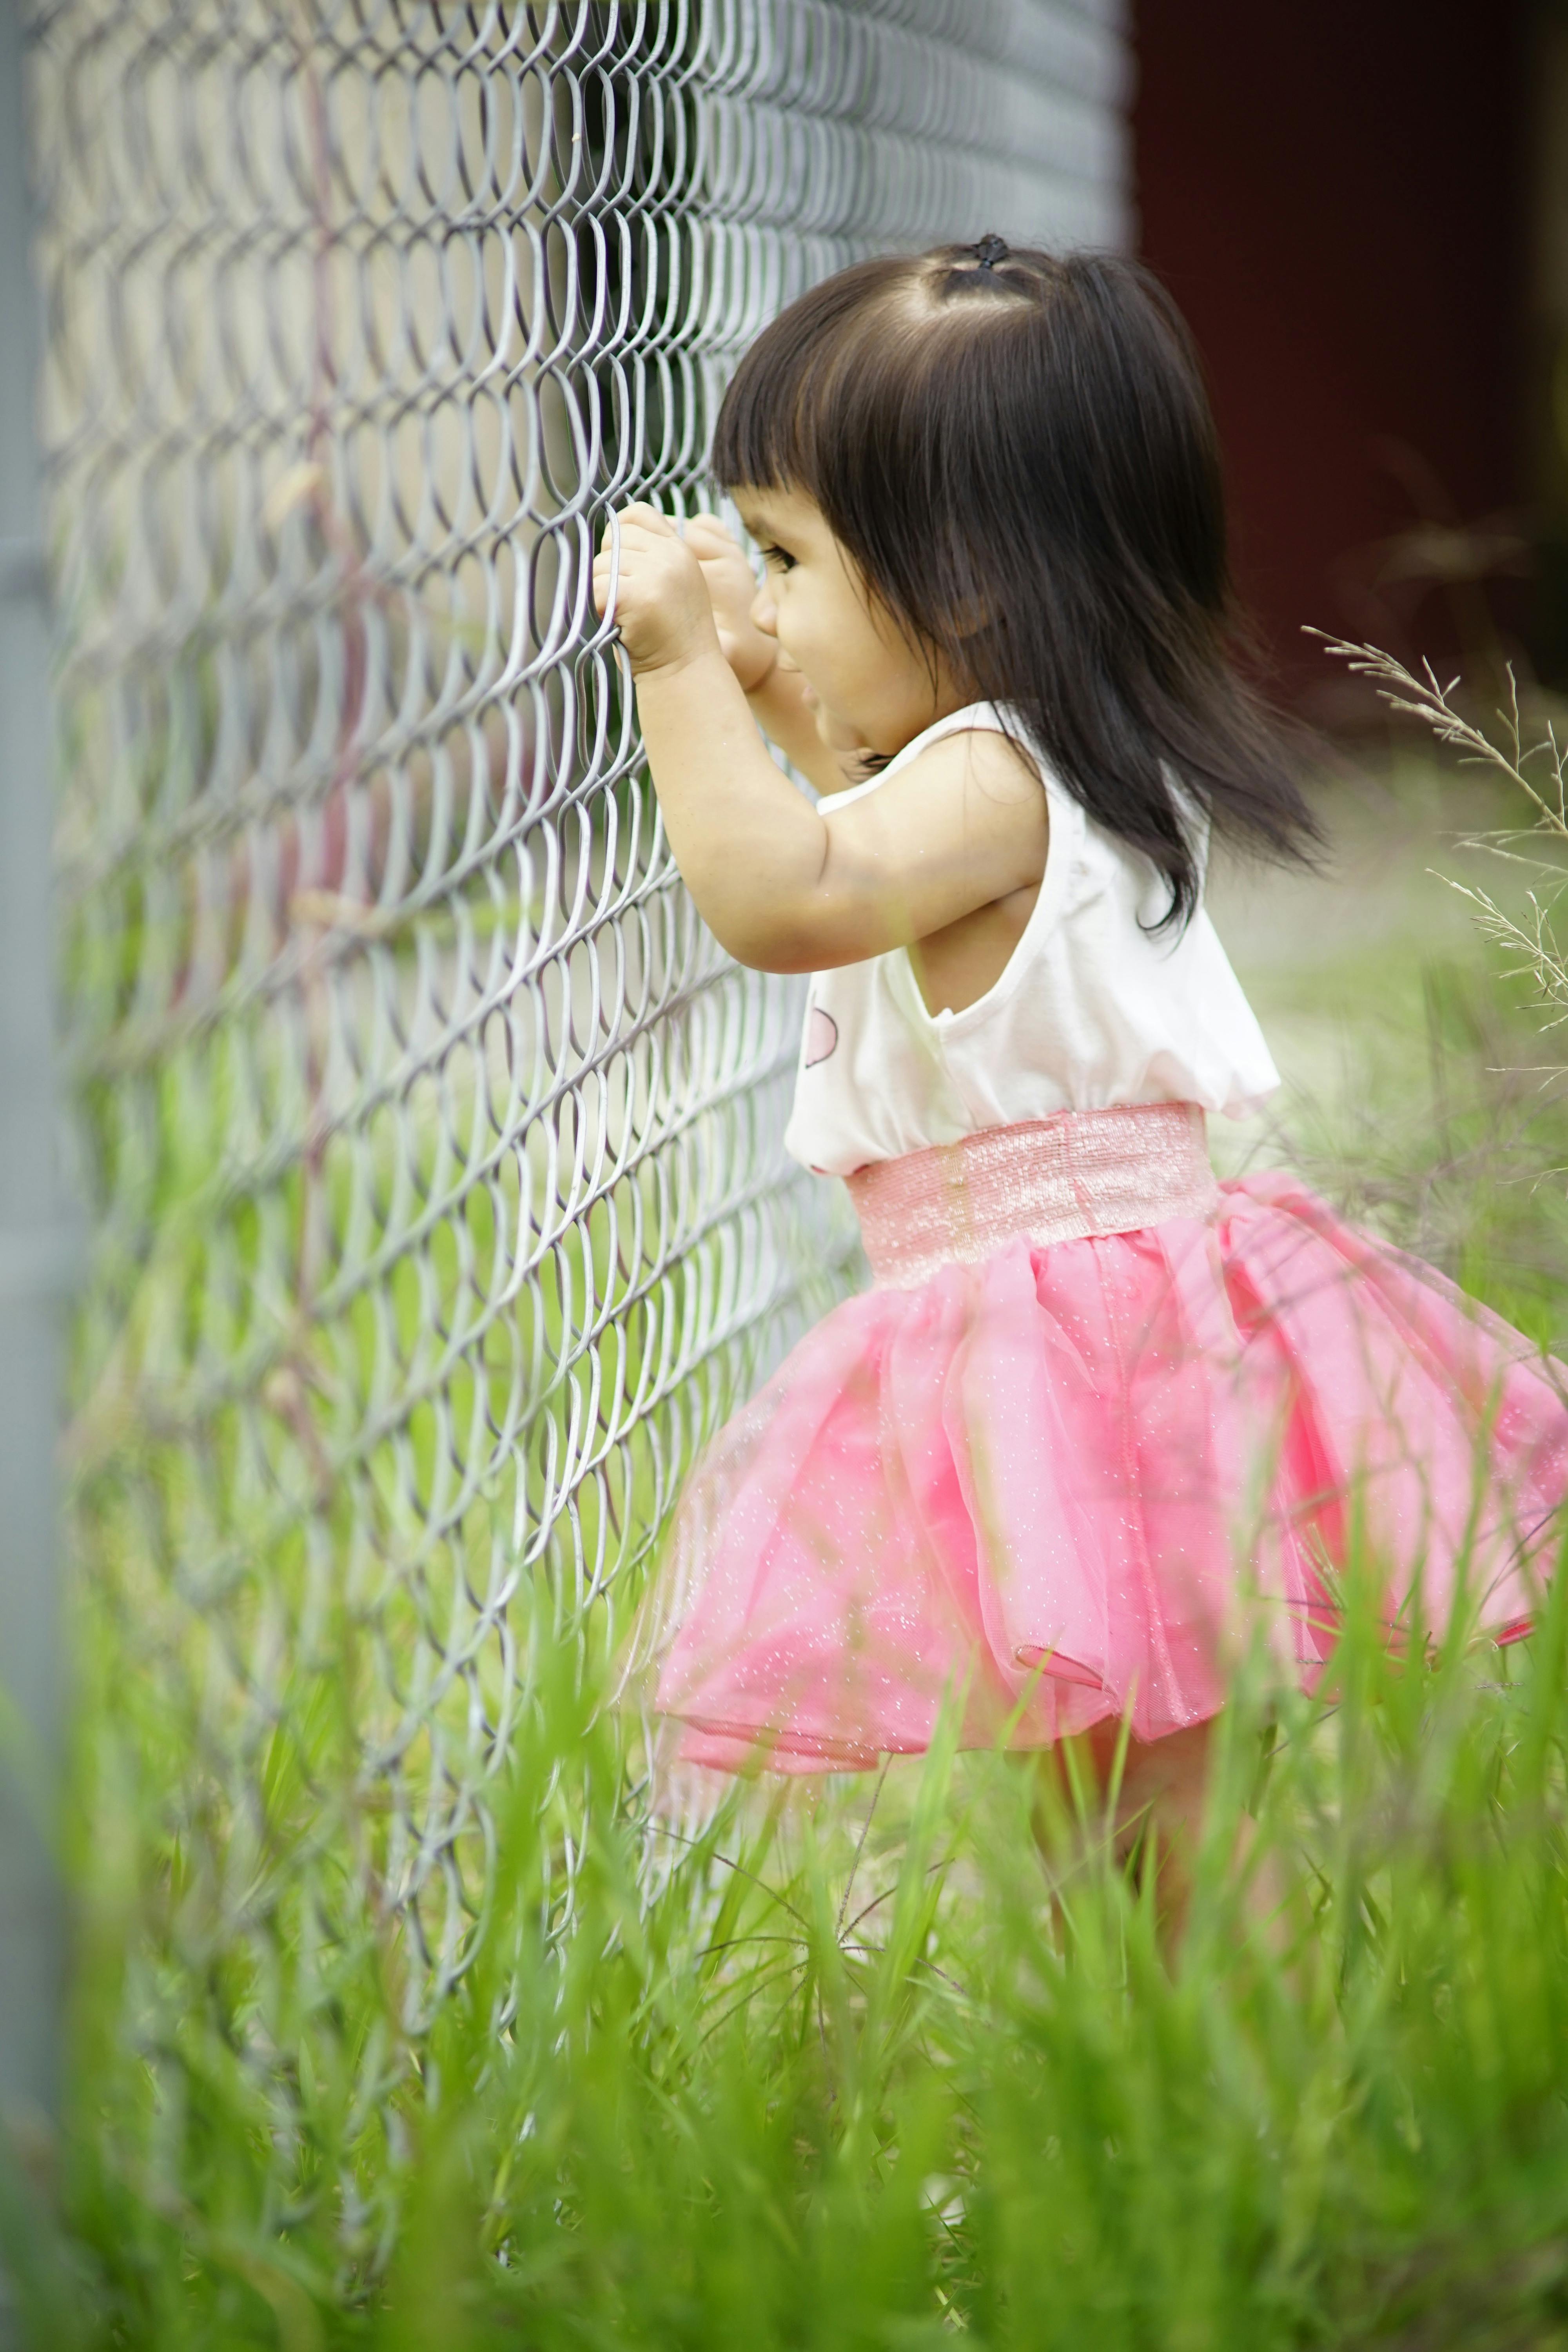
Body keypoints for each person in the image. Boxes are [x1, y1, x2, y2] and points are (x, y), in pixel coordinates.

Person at [590, 238, 1568, 1877]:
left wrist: (680, 665)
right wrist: (765, 671)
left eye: (786, 555)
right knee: (1110, 1795)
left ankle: (1228, 2080)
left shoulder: (988, 788)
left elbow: (789, 889)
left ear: (962, 582)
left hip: (1073, 1342)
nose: (757, 594)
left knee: (1158, 1810)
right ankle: (1162, 2072)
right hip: (1077, 1318)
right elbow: (850, 772)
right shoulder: (1040, 742)